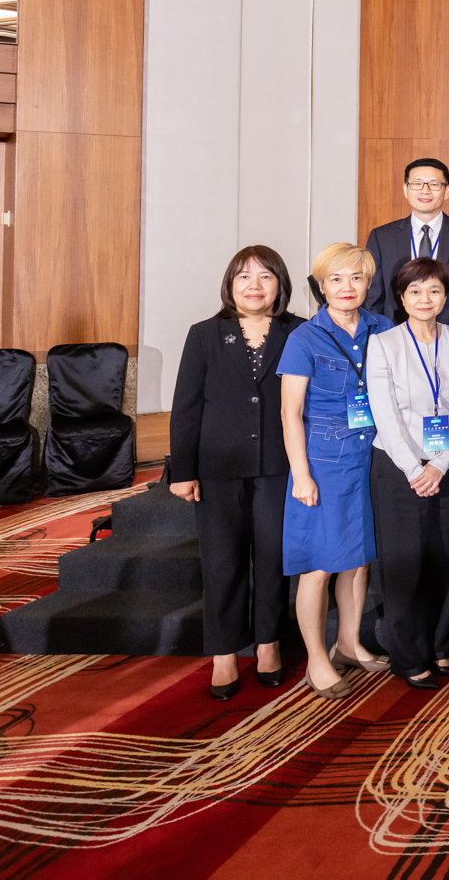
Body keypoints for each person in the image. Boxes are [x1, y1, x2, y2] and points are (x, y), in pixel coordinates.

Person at [168, 245, 299, 698]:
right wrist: (182, 470)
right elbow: (185, 407)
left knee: (272, 558)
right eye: (244, 277)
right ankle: (223, 654)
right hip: (218, 466)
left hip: (280, 466)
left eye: (265, 277)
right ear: (229, 284)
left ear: (280, 284)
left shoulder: (298, 331)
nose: (254, 286)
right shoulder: (205, 334)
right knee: (222, 562)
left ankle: (268, 644)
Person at [278, 243, 395, 698]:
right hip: (323, 466)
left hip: (373, 457)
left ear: (369, 283)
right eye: (336, 279)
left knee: (359, 558)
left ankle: (349, 641)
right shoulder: (304, 338)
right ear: (321, 286)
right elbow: (291, 413)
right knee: (319, 567)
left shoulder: (382, 327)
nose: (347, 288)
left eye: (356, 278)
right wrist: (301, 474)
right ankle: (317, 658)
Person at [365, 257, 449, 690]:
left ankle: (444, 645)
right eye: (415, 291)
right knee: (405, 564)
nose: (425, 299)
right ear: (401, 297)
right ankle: (409, 656)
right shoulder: (385, 343)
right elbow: (384, 413)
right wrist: (415, 468)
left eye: (433, 290)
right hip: (398, 468)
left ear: (446, 296)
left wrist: (441, 463)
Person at [364, 158, 449, 326]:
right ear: (406, 190)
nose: (425, 190)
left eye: (434, 184)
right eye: (417, 183)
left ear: (448, 191)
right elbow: (373, 297)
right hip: (395, 335)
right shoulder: (382, 236)